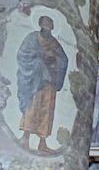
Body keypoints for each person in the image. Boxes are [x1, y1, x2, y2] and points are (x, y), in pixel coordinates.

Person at [16, 15, 69, 152]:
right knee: (33, 105)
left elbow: (63, 59)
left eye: (50, 24)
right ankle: (25, 138)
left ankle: (42, 142)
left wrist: (54, 59)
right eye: (45, 24)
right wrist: (41, 56)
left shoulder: (55, 42)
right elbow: (23, 53)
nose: (48, 27)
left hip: (50, 79)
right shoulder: (32, 38)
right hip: (36, 78)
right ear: (40, 24)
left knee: (47, 109)